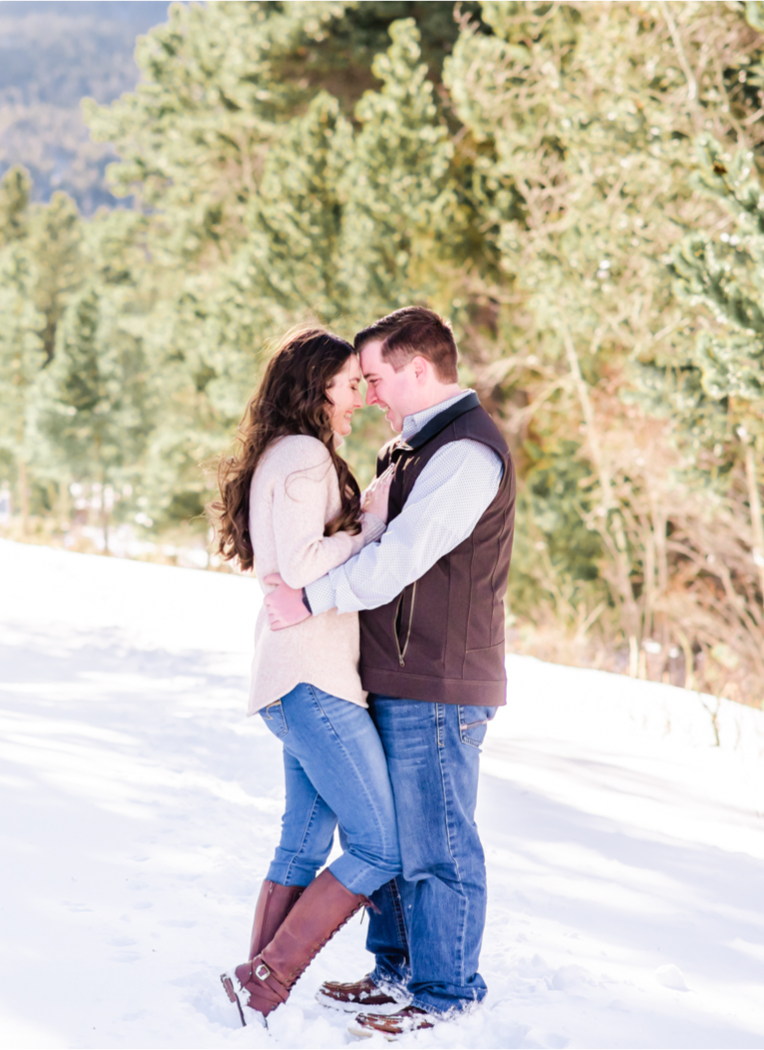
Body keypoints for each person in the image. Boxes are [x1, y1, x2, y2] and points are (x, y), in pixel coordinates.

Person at [263, 306, 516, 1037]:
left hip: (439, 675)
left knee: (437, 840)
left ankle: (446, 990)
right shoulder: (411, 449)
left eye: (373, 376)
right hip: (395, 671)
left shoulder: (465, 453)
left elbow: (401, 559)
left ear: (417, 369)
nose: (366, 391)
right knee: (398, 839)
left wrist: (310, 598)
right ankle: (397, 972)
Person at [210, 325, 405, 1026]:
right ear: (318, 385)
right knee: (380, 844)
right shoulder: (301, 455)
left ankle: (251, 991)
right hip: (313, 682)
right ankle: (264, 981)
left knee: (303, 839)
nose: (359, 397)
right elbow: (298, 565)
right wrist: (371, 524)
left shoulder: (284, 454)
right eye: (351, 383)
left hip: (294, 682)